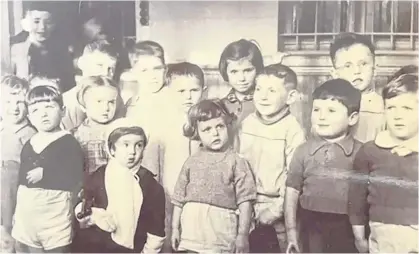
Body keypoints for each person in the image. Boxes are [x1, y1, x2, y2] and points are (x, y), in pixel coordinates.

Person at [285, 79, 362, 253]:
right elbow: (292, 193)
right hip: (310, 225)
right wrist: (291, 232)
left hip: (347, 227)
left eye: (331, 111)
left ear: (352, 118)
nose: (321, 116)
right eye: (317, 109)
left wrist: (362, 237)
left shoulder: (361, 152)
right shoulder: (303, 150)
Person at [171, 99, 257, 253]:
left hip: (221, 235)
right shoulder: (192, 161)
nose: (215, 133)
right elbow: (178, 199)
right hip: (191, 235)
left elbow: (246, 202)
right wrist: (174, 229)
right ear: (197, 133)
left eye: (219, 126)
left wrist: (242, 235)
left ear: (228, 126)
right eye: (207, 129)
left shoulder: (237, 161)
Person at [239, 64, 306, 252]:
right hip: (245, 207)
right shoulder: (247, 123)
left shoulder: (293, 130)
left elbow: (294, 179)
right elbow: (237, 165)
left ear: (291, 97)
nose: (262, 96)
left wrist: (275, 210)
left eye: (272, 90)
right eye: (258, 89)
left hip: (277, 210)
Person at [72, 118, 166, 253]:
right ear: (111, 148)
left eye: (138, 145)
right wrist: (94, 216)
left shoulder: (150, 185)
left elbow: (156, 228)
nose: (132, 151)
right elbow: (82, 204)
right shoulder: (100, 175)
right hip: (97, 246)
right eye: (125, 145)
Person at [348, 74, 418, 253]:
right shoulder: (370, 151)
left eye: (407, 108)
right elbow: (356, 200)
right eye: (391, 108)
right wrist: (359, 237)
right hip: (382, 237)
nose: (397, 116)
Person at [141, 62, 206, 252]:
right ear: (169, 92)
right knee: (170, 240)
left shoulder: (208, 123)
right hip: (168, 196)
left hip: (200, 198)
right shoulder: (160, 125)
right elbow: (152, 168)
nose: (188, 96)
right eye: (181, 91)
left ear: (204, 90)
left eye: (194, 90)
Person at [12, 85, 84, 253]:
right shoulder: (30, 143)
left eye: (49, 107)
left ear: (63, 110)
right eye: (35, 110)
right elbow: (22, 180)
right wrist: (18, 210)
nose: (43, 114)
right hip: (28, 210)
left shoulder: (68, 142)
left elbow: (76, 176)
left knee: (56, 247)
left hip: (54, 211)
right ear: (29, 117)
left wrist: (47, 173)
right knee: (28, 246)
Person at [0, 75, 37, 253]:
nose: (13, 108)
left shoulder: (32, 135)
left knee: (17, 244)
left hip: (17, 202)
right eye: (7, 102)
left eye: (20, 102)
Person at [330, 32, 385, 143]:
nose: (357, 71)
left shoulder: (384, 106)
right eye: (348, 66)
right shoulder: (328, 106)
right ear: (335, 73)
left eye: (363, 64)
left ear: (375, 68)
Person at [10, 1, 75, 93]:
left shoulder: (63, 51)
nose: (42, 27)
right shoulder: (15, 49)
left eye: (48, 22)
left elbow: (69, 86)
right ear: (26, 22)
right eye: (36, 21)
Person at [61, 40, 125, 131]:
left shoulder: (117, 101)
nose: (105, 73)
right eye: (99, 65)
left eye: (111, 68)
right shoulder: (67, 102)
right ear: (82, 64)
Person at [73, 76, 123, 174]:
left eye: (111, 102)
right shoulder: (75, 136)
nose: (106, 108)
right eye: (99, 101)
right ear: (83, 106)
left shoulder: (121, 132)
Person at [219, 39, 264, 128]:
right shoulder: (220, 106)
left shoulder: (266, 103)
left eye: (247, 71)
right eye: (234, 72)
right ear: (225, 72)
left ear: (258, 70)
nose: (241, 79)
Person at [125, 40, 169, 121]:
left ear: (165, 69)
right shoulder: (130, 104)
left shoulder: (174, 101)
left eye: (157, 69)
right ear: (133, 72)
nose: (152, 76)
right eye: (144, 70)